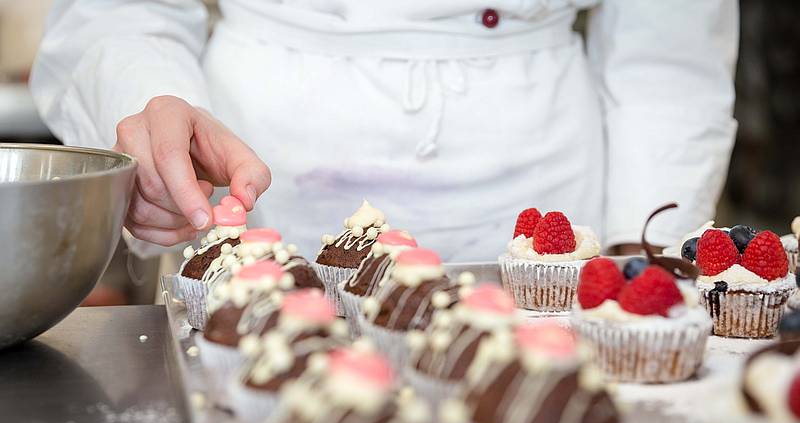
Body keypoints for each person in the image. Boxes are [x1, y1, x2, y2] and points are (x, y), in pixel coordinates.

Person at [30, 0, 739, 261]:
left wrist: (638, 259)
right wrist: (149, 104)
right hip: (258, 170)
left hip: (541, 181)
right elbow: (117, 11)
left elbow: (668, 48)